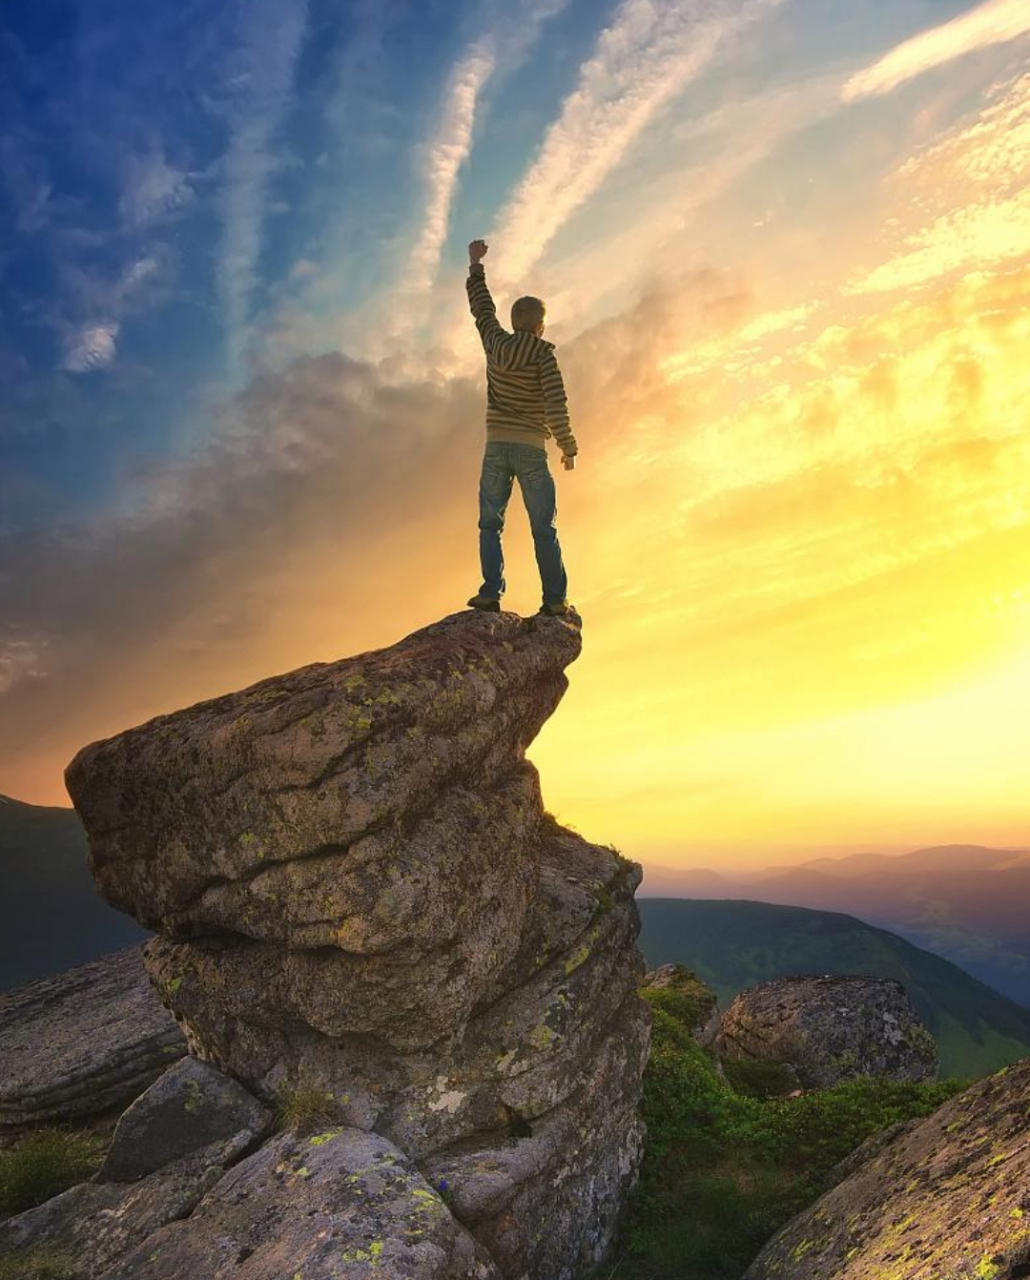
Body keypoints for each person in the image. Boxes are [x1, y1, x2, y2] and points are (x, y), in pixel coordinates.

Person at [464, 237, 577, 618]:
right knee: (543, 528)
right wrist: (568, 446)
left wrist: (475, 265)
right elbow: (555, 403)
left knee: (489, 524)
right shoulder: (544, 356)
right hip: (531, 450)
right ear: (540, 327)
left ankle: (490, 593)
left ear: (513, 324)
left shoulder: (495, 342)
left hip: (496, 447)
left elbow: (481, 309)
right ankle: (555, 600)